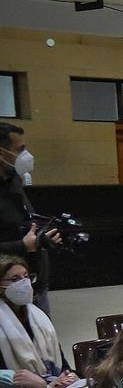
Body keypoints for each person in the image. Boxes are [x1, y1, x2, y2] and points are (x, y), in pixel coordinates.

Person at [0, 255, 75, 388]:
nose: (24, 283)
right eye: (15, 279)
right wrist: (43, 386)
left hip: (47, 386)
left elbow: (63, 365)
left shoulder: (39, 317)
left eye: (27, 277)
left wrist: (68, 377)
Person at [0, 124, 59, 315]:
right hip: (7, 289)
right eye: (20, 149)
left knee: (44, 341)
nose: (26, 155)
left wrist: (42, 237)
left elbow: (24, 223)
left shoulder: (14, 181)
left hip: (34, 282)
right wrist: (21, 245)